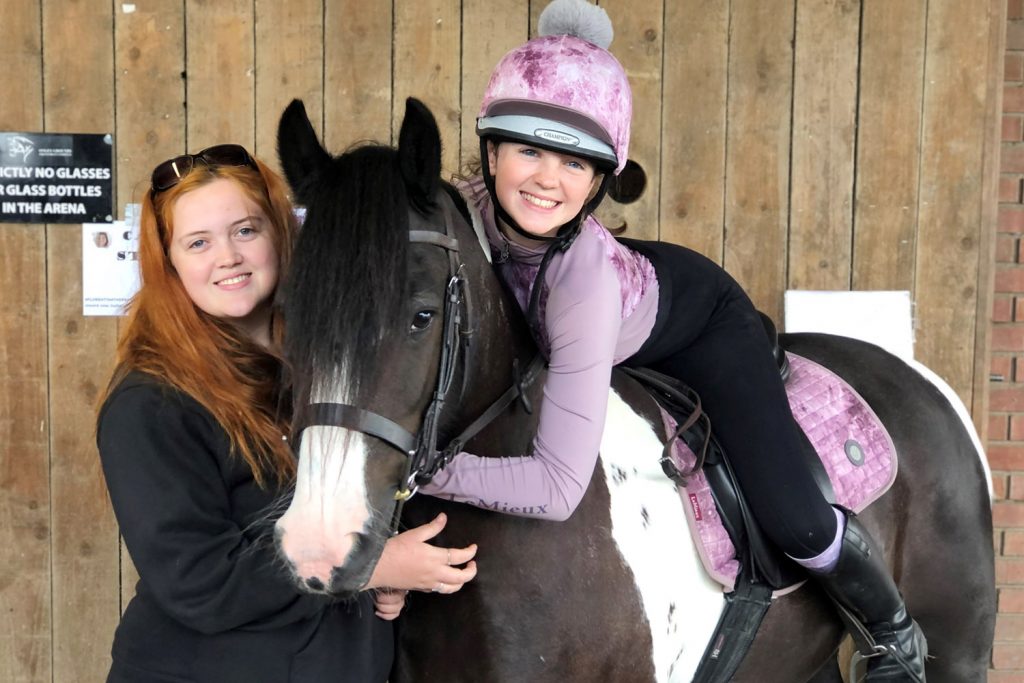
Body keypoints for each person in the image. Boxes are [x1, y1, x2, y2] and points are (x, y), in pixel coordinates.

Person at [419, 0, 925, 680]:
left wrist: (426, 469)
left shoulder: (581, 286)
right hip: (626, 293)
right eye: (529, 150)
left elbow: (558, 486)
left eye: (575, 164)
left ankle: (892, 632)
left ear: (601, 179)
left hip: (699, 322)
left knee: (793, 513)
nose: (546, 179)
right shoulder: (462, 212)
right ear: (491, 150)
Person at [96, 143, 477, 683]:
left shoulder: (328, 375)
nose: (227, 256)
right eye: (198, 242)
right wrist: (372, 566)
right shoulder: (151, 402)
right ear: (171, 261)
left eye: (246, 230)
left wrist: (388, 561)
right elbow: (201, 583)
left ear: (281, 231)